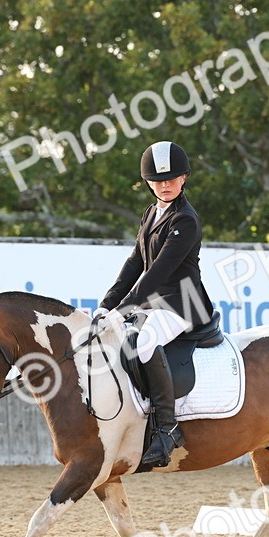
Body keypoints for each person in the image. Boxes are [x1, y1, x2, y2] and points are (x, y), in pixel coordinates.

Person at [96, 140, 217, 468]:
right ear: (148, 182)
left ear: (184, 178)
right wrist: (106, 305)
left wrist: (124, 308)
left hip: (183, 304)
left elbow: (159, 270)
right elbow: (136, 262)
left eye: (171, 178)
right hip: (154, 303)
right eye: (157, 180)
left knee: (145, 343)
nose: (164, 185)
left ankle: (167, 428)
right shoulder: (151, 213)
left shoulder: (186, 219)